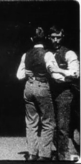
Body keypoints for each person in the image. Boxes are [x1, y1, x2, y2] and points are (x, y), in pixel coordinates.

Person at [16, 27, 66, 161]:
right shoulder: (48, 54)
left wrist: (27, 72)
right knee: (48, 122)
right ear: (45, 39)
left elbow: (19, 75)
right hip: (42, 86)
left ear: (32, 39)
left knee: (31, 122)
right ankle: (44, 155)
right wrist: (65, 76)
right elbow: (55, 74)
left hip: (28, 87)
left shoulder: (25, 55)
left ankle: (32, 154)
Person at [47, 25, 80, 160]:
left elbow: (75, 73)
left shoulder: (69, 53)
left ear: (62, 37)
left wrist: (59, 70)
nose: (56, 40)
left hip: (65, 92)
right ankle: (58, 152)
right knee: (51, 124)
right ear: (49, 38)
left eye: (58, 37)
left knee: (62, 125)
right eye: (53, 37)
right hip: (49, 91)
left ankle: (63, 155)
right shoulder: (47, 53)